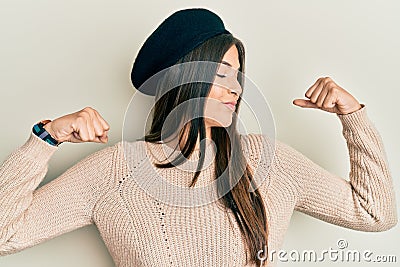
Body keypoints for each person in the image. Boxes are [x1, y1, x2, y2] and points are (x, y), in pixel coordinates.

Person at [0, 8, 397, 267]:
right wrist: (45, 139)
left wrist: (353, 117)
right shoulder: (117, 170)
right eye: (221, 73)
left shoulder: (267, 160)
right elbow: (6, 235)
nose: (236, 89)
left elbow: (376, 214)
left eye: (237, 76)